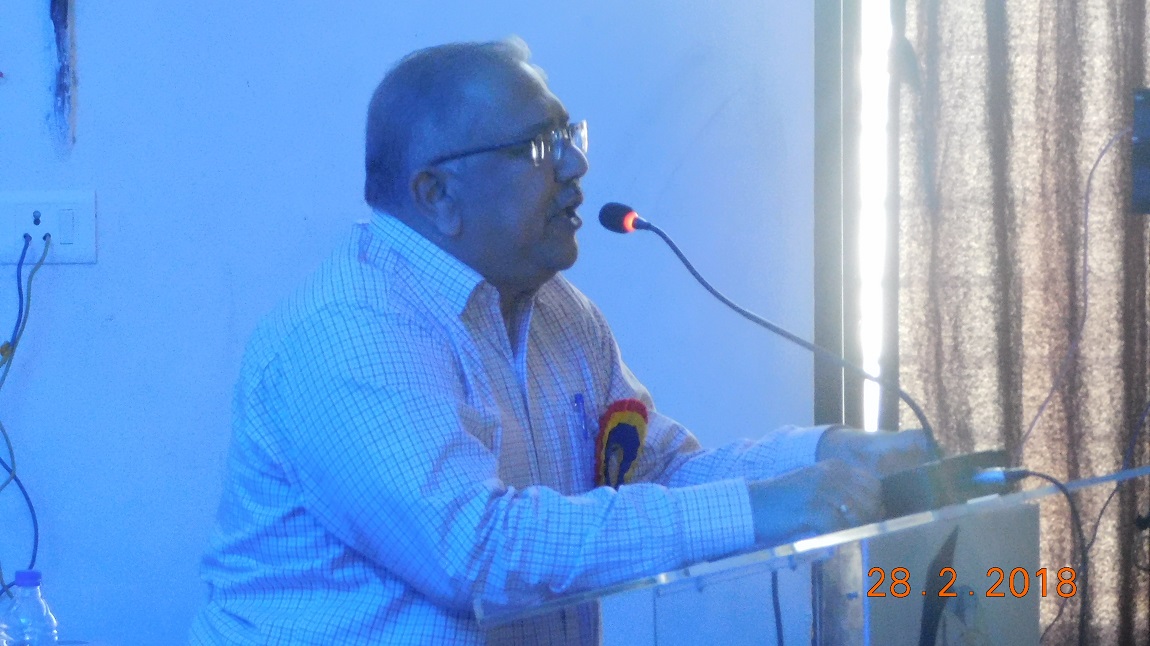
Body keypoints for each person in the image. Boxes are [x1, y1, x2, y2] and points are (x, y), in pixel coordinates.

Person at [189, 37, 934, 645]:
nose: (577, 167)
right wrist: (757, 509)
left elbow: (656, 475)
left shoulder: (559, 313)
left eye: (569, 136)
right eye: (540, 146)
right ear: (436, 195)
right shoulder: (349, 329)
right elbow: (477, 552)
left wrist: (826, 456)